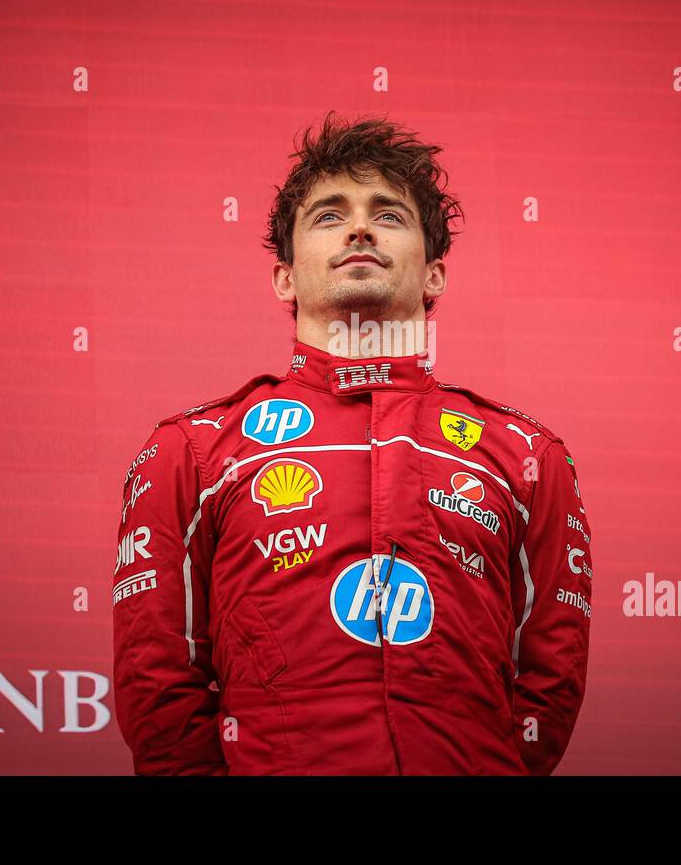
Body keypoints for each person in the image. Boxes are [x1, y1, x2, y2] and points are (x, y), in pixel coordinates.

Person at [112, 111, 593, 774]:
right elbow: (156, 679)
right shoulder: (193, 450)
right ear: (285, 278)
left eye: (390, 215)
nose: (360, 226)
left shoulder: (528, 456)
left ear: (435, 277)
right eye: (329, 215)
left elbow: (551, 677)